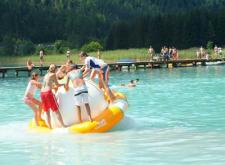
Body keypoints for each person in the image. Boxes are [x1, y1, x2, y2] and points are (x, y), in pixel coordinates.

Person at [40, 64, 66, 129]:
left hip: (42, 93)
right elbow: (57, 85)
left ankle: (50, 127)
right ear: (55, 69)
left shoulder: (46, 75)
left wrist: (53, 86)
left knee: (47, 111)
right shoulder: (53, 75)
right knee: (56, 110)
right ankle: (63, 125)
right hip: (48, 93)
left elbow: (46, 84)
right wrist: (64, 84)